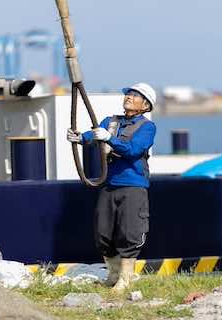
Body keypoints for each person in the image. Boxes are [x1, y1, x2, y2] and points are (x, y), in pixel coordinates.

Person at [67, 82, 157, 293]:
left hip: (133, 186)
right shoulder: (112, 122)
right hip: (110, 184)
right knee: (103, 231)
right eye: (129, 94)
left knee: (130, 231)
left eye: (135, 95)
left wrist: (110, 139)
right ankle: (113, 275)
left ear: (145, 105)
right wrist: (80, 138)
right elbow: (94, 135)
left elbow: (134, 150)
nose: (129, 97)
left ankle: (126, 279)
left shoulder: (147, 127)